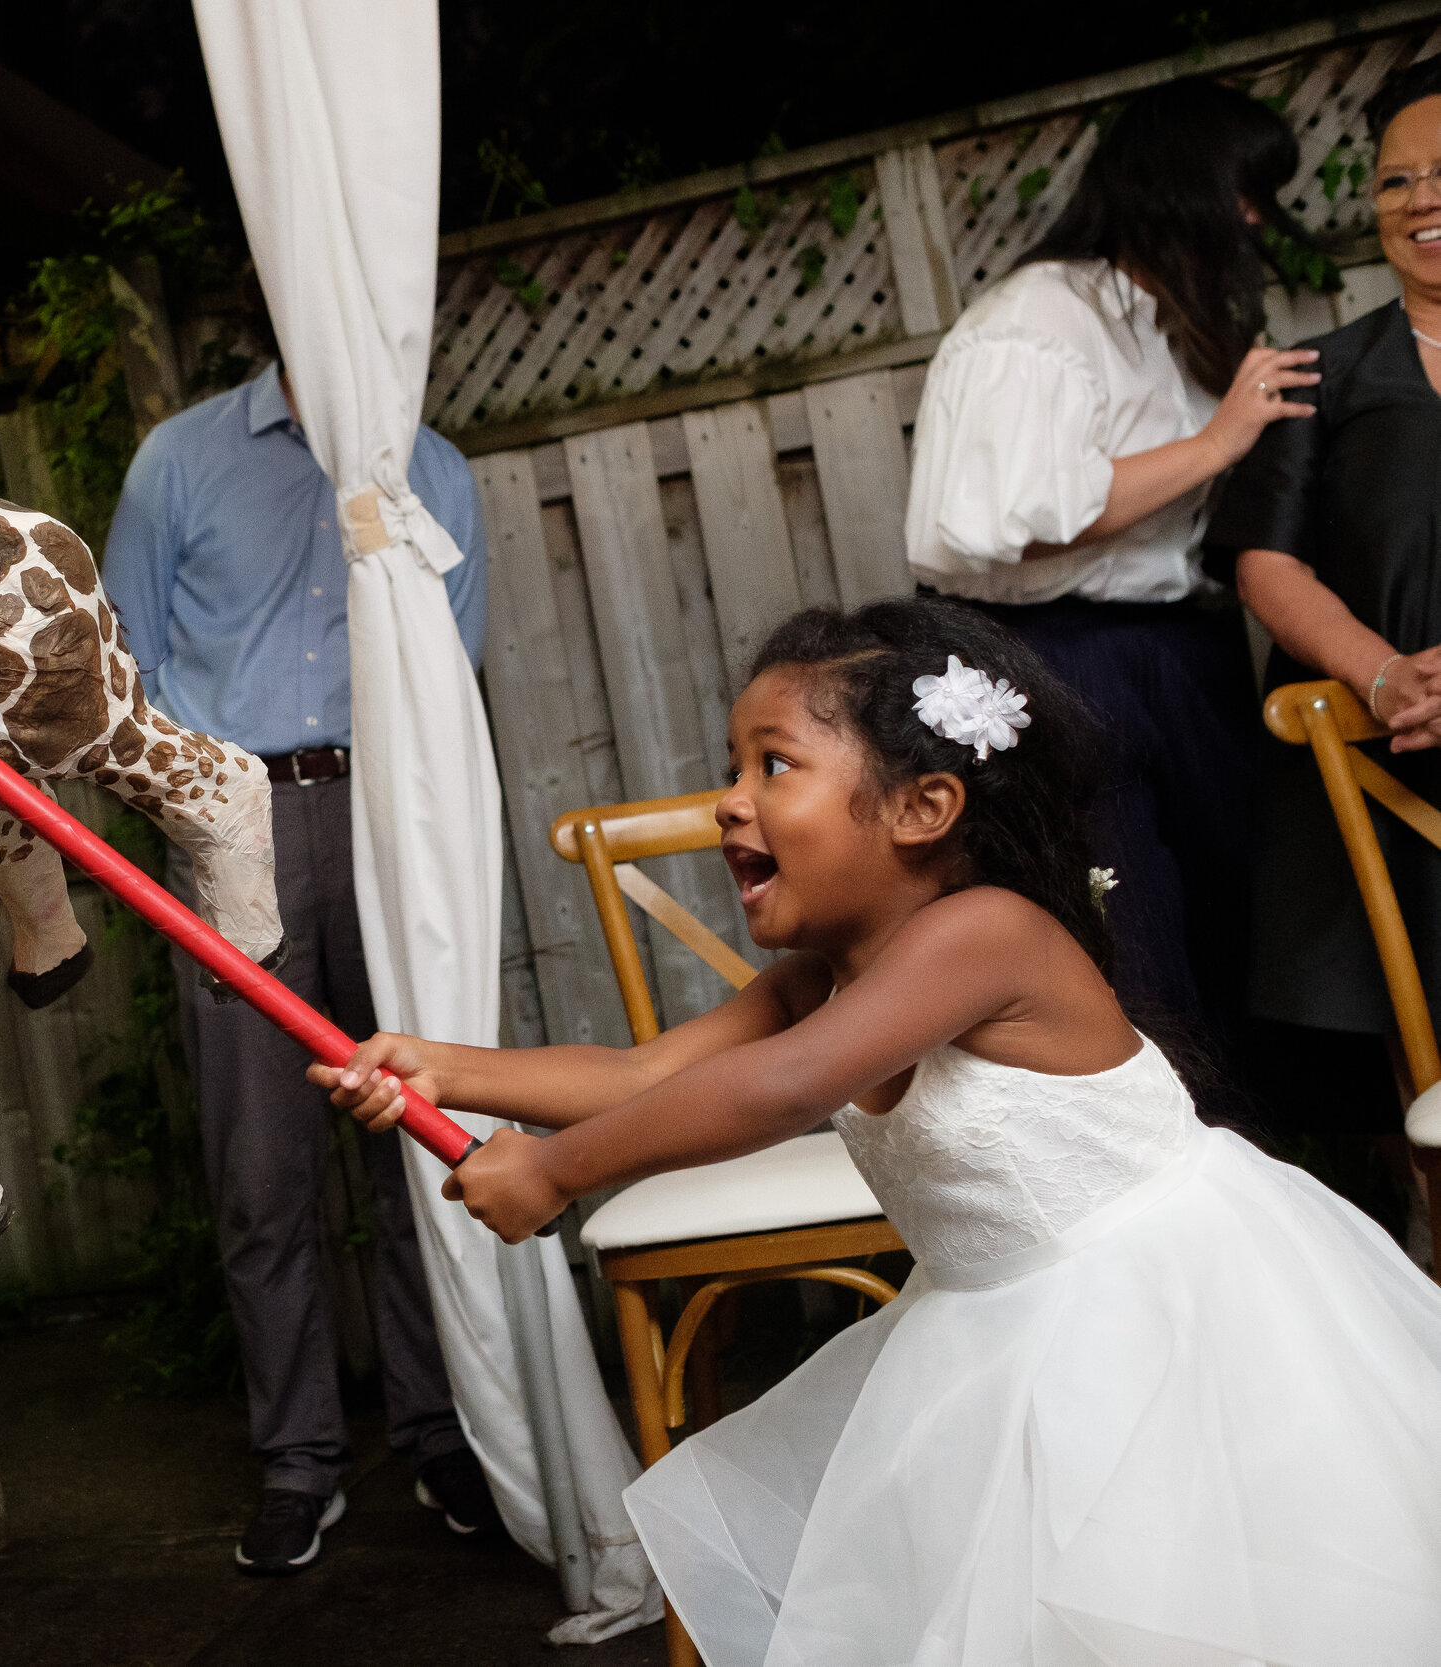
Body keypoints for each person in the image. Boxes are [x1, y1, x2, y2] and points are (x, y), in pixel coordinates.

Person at [312, 596, 1441, 1664]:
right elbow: (639, 1071)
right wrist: (439, 1063)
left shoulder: (984, 934)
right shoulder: (825, 974)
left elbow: (783, 1087)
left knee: (1190, 1596)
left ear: (923, 806)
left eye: (774, 764)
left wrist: (554, 1171)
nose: (729, 799)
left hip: (1168, 1313)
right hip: (991, 1331)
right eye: (729, 767)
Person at [102, 359, 500, 1575]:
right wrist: (202, 797)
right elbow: (126, 653)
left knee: (420, 1140)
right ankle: (298, 1458)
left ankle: (442, 1429)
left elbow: (457, 653)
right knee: (259, 1167)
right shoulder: (179, 456)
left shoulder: (428, 467)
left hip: (392, 816)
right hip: (236, 825)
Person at [903, 78, 1319, 1047]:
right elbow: (1006, 519)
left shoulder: (1173, 317)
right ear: (1178, 189)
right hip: (1070, 660)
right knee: (1132, 929)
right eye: (1242, 192)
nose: (1256, 218)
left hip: (1186, 654)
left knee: (1239, 919)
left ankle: (1275, 1168)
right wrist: (1219, 440)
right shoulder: (1038, 318)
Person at [1212, 58, 1441, 1222]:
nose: (1417, 199)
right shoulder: (1323, 375)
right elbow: (1263, 560)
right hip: (1385, 764)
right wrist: (1387, 673)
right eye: (1395, 178)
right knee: (1416, 1059)